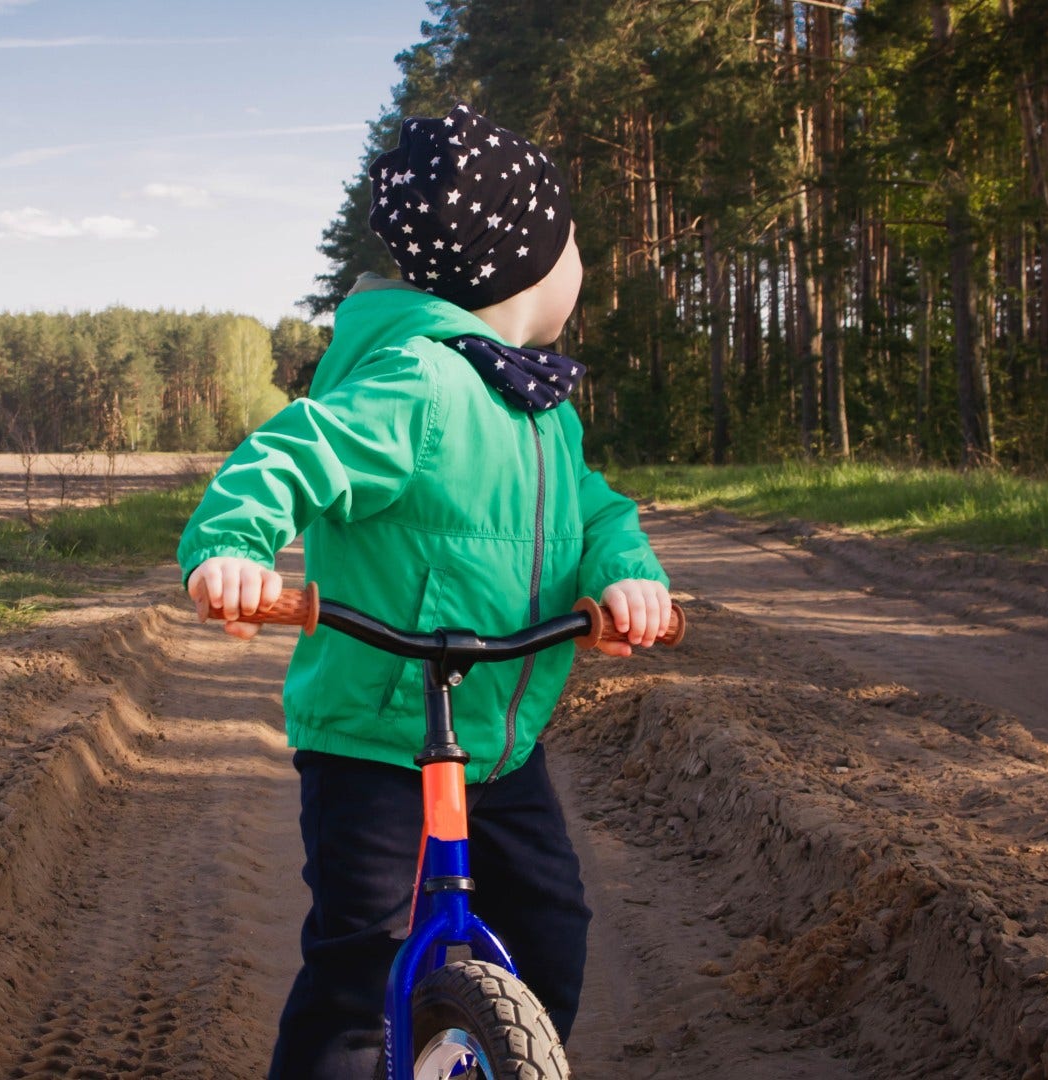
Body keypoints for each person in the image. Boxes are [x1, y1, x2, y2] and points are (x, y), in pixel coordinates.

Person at [174, 104, 672, 1079]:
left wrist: (628, 574)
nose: (582, 261)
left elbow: (598, 511)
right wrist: (233, 549)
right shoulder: (418, 382)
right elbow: (287, 458)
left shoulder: (539, 409)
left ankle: (492, 1057)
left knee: (549, 929)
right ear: (522, 262)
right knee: (362, 964)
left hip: (497, 741)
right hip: (374, 740)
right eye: (573, 240)